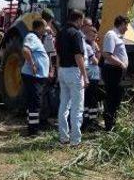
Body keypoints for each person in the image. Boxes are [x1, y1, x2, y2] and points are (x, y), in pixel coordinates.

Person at [56, 9, 88, 146]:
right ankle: (76, 140)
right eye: (82, 20)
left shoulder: (61, 32)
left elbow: (57, 54)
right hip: (74, 72)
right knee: (77, 107)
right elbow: (78, 56)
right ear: (79, 19)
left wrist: (58, 71)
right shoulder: (76, 34)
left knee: (64, 105)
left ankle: (64, 137)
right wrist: (85, 76)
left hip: (62, 70)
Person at [21, 19, 50, 136]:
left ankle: (33, 127)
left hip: (37, 76)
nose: (47, 28)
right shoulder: (31, 36)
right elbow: (25, 50)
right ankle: (33, 131)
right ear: (40, 27)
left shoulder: (37, 38)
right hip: (32, 76)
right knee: (34, 103)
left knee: (35, 102)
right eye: (45, 26)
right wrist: (32, 64)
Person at [101, 15, 129, 131]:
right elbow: (107, 54)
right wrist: (121, 64)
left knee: (116, 99)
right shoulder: (111, 35)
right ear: (121, 23)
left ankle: (112, 124)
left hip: (116, 71)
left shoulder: (117, 36)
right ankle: (109, 127)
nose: (126, 28)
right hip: (112, 71)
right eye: (126, 25)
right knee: (112, 99)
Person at [81, 23, 101, 131]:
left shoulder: (86, 45)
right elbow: (96, 61)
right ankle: (91, 121)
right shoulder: (88, 47)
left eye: (95, 37)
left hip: (90, 75)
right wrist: (98, 51)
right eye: (92, 36)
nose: (94, 38)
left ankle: (87, 120)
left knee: (87, 100)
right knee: (92, 100)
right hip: (92, 76)